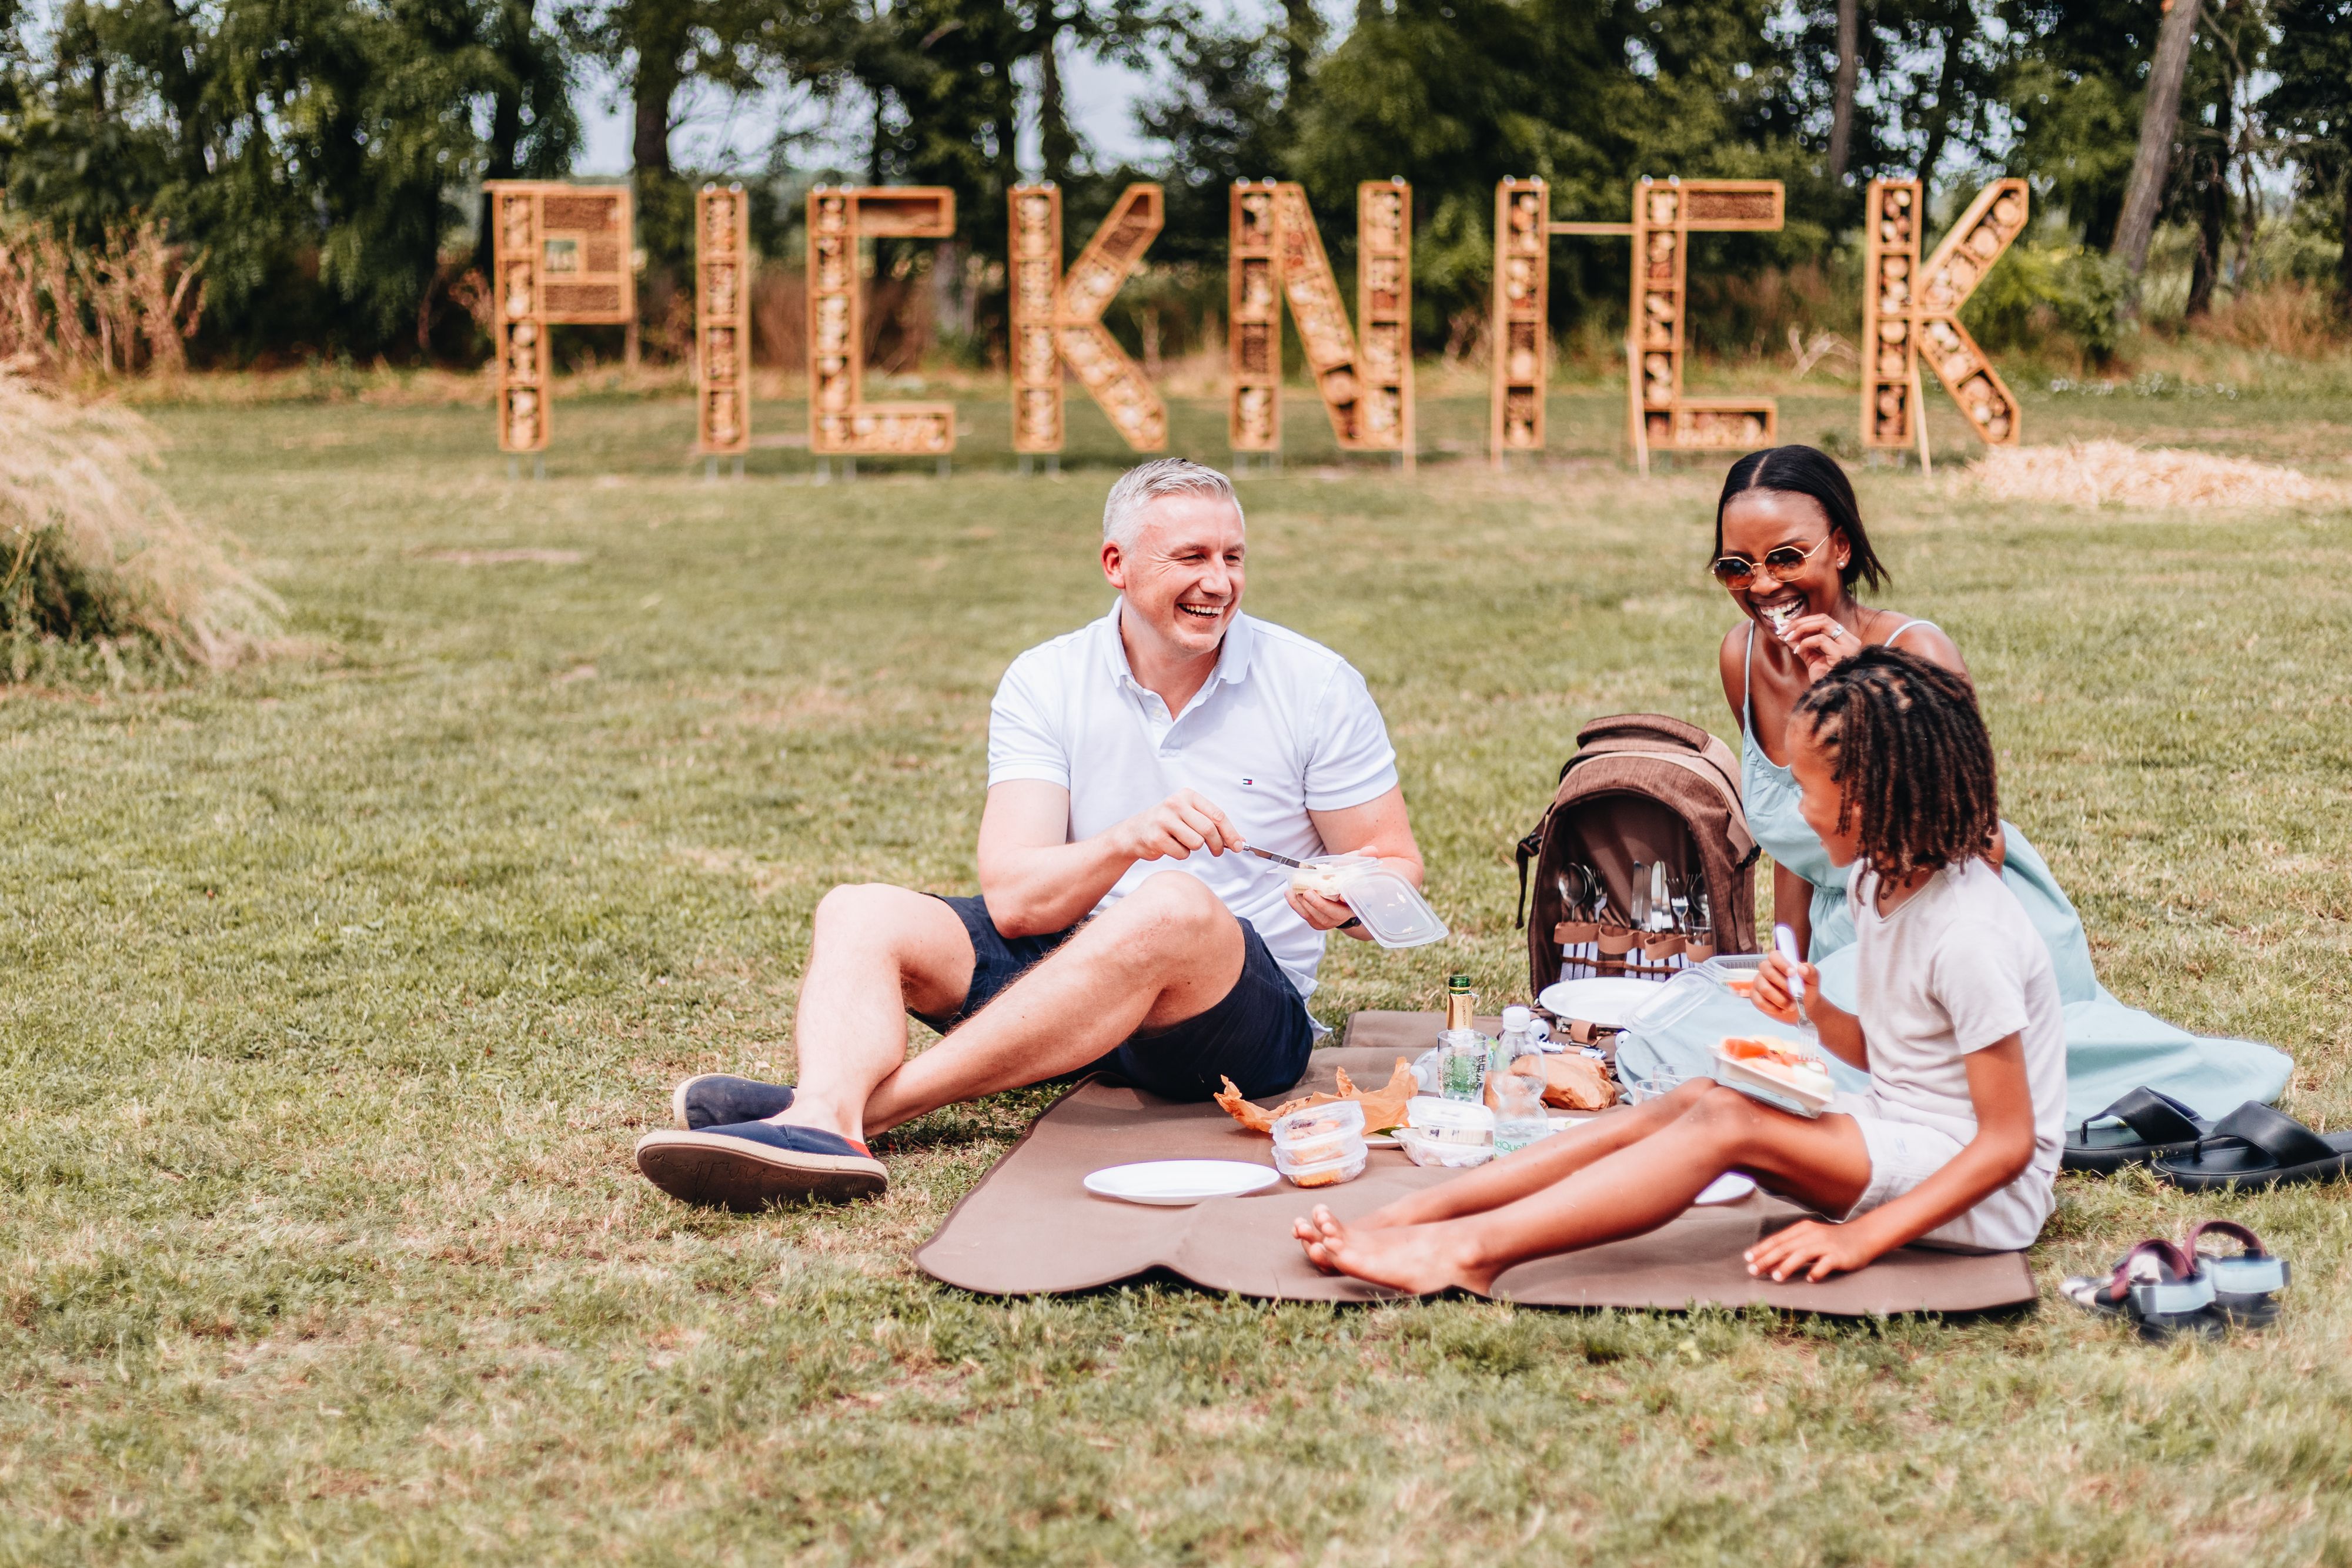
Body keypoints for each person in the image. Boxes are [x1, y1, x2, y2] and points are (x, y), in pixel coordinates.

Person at [633, 457, 1426, 1209]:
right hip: (1074, 983)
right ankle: (821, 1113)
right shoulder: (1047, 678)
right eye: (1191, 556)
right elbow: (1015, 900)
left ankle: (845, 1115)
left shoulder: (1315, 684)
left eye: (1233, 557)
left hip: (1233, 1018)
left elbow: (1396, 865)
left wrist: (1348, 900)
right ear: (1117, 563)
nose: (1218, 582)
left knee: (1173, 904)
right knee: (859, 909)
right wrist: (1128, 839)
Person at [1294, 647, 2066, 1294]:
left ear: (1875, 796)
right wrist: (1816, 1009)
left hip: (1982, 1194)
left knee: (1728, 1120)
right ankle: (1423, 1215)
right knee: (1701, 1094)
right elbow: (1887, 1058)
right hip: (1900, 1128)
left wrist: (1864, 1238)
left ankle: (1468, 1255)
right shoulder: (1879, 879)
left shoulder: (1969, 931)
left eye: (1811, 791)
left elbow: (2005, 1144)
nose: (1799, 811)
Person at [1709, 445, 2287, 1125]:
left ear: (1838, 546)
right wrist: (1788, 964)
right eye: (1736, 566)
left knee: (1819, 1070)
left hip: (1954, 918)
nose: (1762, 585)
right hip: (1853, 930)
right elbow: (1795, 839)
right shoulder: (1741, 658)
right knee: (1735, 1031)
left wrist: (1862, 702)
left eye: (1785, 557)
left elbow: (1972, 849)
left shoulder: (1916, 654)